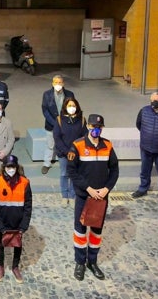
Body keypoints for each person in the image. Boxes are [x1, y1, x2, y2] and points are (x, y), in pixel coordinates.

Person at [67, 114, 119, 281]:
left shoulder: (108, 146)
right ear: (88, 127)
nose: (95, 130)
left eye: (98, 127)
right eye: (92, 127)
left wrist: (107, 188)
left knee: (96, 231)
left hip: (101, 197)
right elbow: (72, 172)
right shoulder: (77, 145)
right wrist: (88, 188)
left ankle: (92, 262)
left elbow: (115, 169)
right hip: (84, 197)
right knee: (80, 231)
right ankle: (80, 263)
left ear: (102, 128)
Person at [0, 155, 32, 284]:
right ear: (4, 168)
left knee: (18, 244)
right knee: (1, 244)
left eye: (13, 167)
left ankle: (15, 266)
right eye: (8, 166)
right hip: (3, 222)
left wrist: (24, 226)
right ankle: (0, 266)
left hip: (18, 222)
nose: (11, 169)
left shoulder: (25, 183)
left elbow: (28, 206)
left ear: (17, 167)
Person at [53, 97, 88, 205]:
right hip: (63, 153)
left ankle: (72, 196)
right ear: (65, 107)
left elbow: (84, 136)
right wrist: (66, 152)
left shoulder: (81, 120)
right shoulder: (59, 119)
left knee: (74, 174)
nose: (71, 108)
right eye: (69, 106)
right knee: (64, 174)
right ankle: (64, 195)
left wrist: (75, 151)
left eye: (73, 106)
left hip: (76, 153)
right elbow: (57, 137)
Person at [41, 74, 75, 174]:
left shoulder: (70, 94)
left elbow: (73, 108)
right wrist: (55, 123)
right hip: (51, 125)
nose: (58, 84)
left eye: (60, 82)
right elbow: (45, 110)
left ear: (63, 83)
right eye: (56, 82)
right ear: (52, 83)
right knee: (50, 145)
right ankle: (46, 164)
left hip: (66, 125)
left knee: (66, 144)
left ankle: (67, 163)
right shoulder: (47, 94)